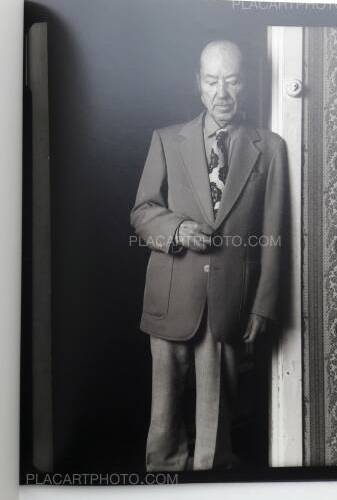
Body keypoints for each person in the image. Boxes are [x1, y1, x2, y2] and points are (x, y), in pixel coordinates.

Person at [130, 39, 287, 471]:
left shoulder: (270, 148)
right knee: (164, 421)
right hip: (171, 296)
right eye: (213, 81)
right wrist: (177, 229)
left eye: (232, 81)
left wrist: (263, 305)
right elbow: (142, 211)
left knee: (217, 435)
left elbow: (274, 234)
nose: (222, 93)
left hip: (230, 302)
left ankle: (212, 486)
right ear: (198, 83)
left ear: (246, 84)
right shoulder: (166, 140)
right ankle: (163, 482)